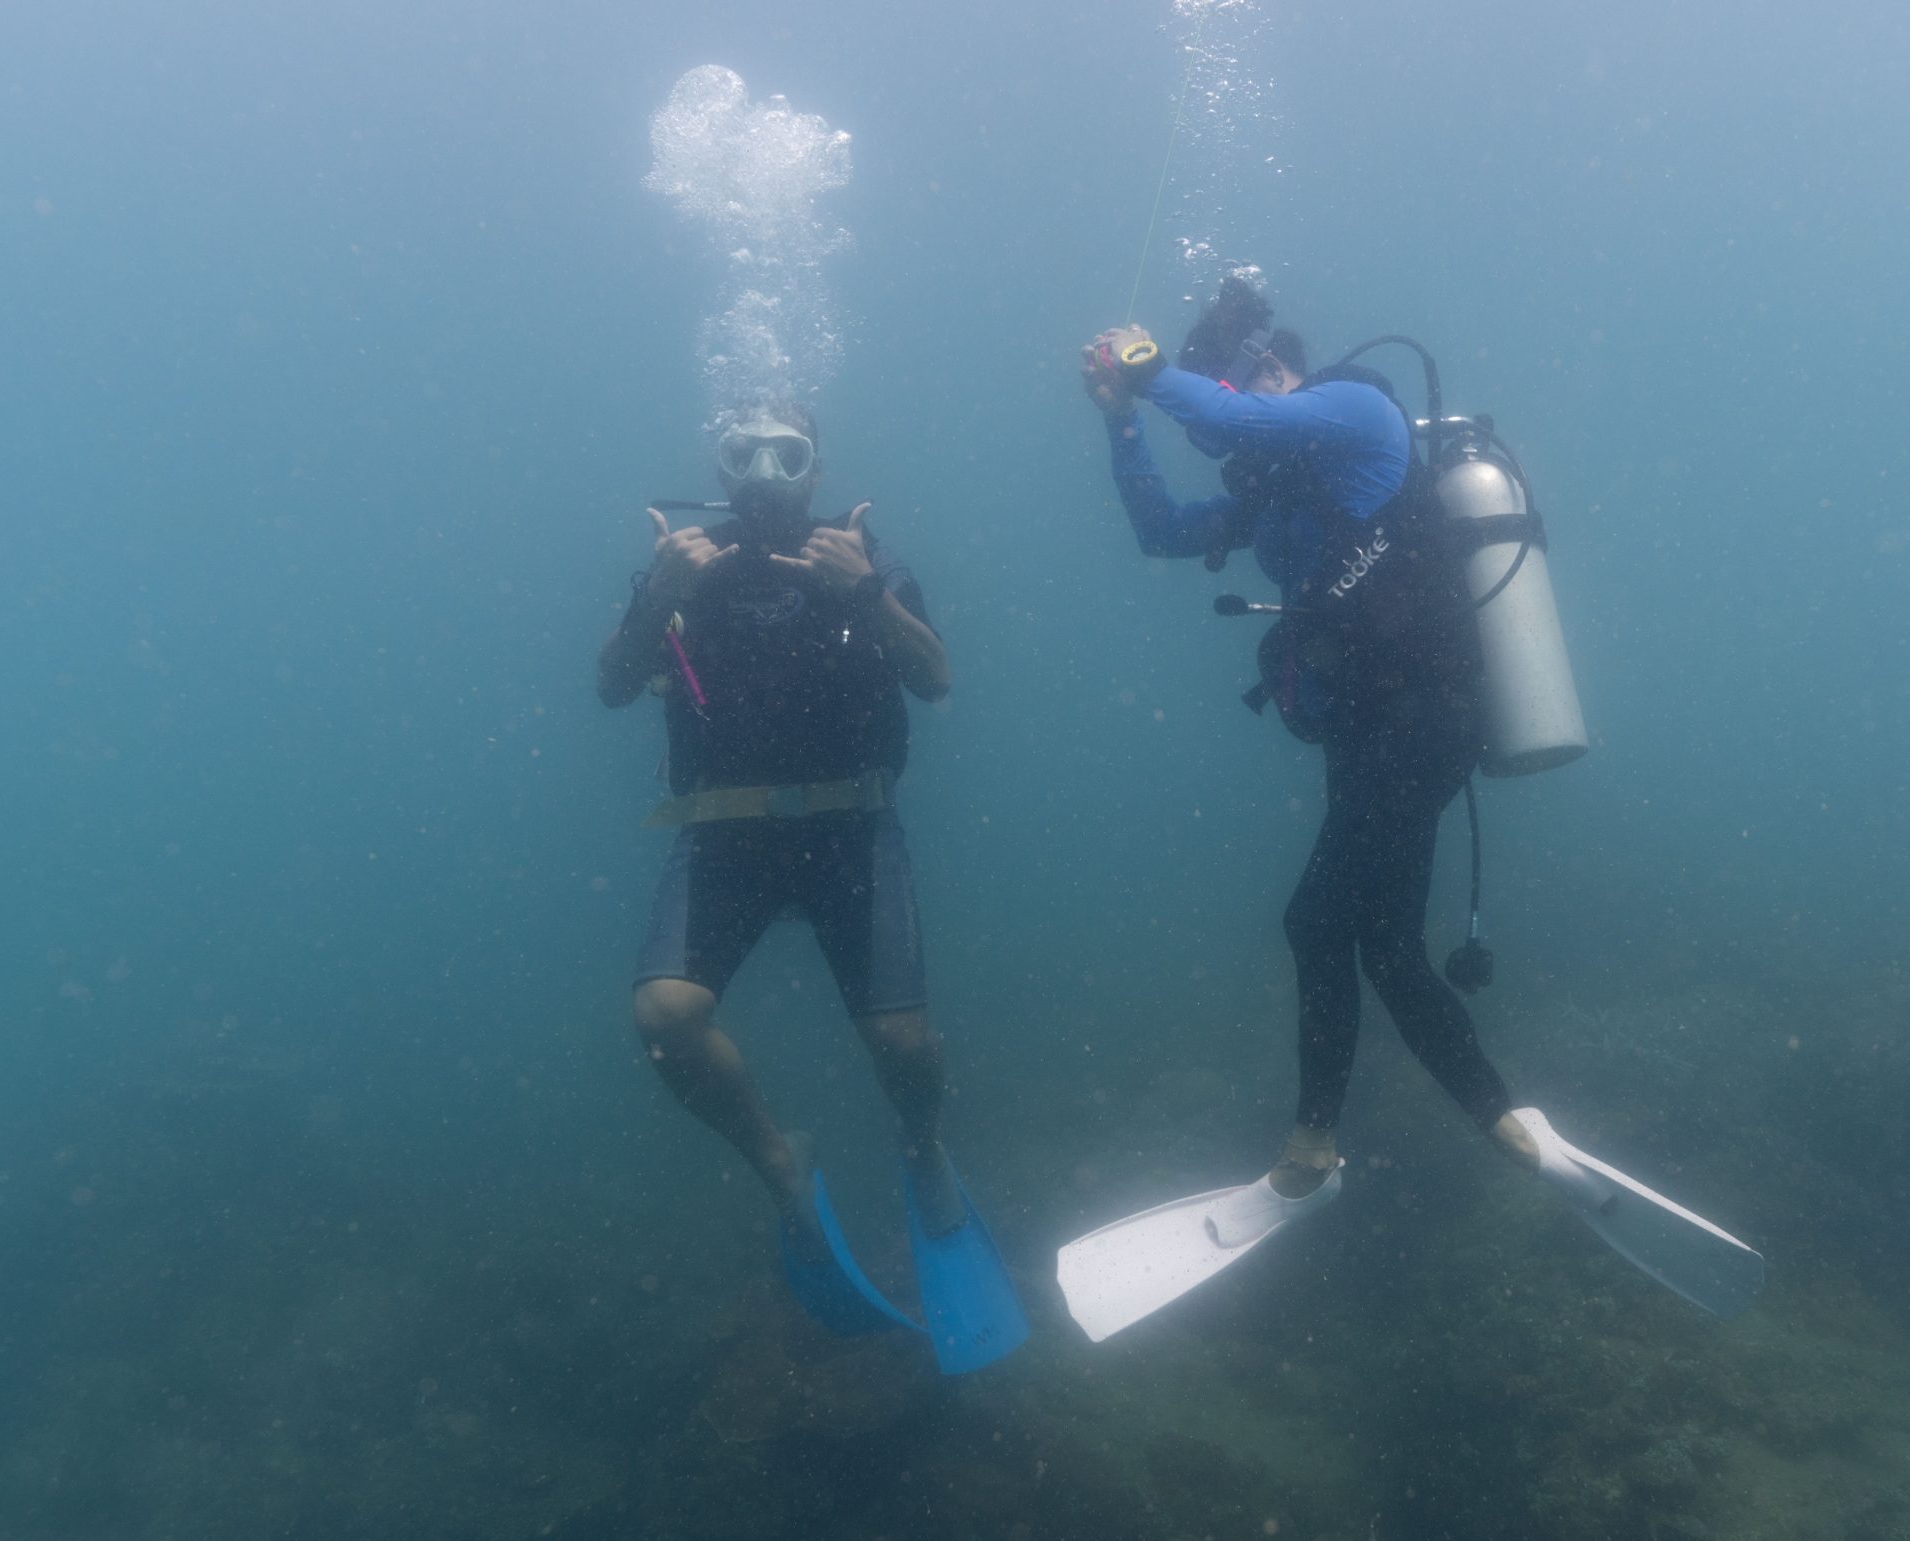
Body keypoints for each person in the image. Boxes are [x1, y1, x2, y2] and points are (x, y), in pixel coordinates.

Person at [1052, 281, 1762, 1341]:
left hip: (1424, 721)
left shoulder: (1357, 418)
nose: (1239, 402)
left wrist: (1150, 370)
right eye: (1227, 386)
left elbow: (1235, 420)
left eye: (1250, 379)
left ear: (1286, 374)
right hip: (1364, 742)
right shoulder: (1278, 495)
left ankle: (1311, 1154)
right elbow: (1161, 529)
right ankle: (1510, 1124)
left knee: (1312, 922)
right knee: (1384, 948)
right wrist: (1120, 421)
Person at [598, 403, 1026, 1373]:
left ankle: (922, 1146)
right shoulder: (682, 568)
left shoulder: (860, 557)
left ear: (816, 467)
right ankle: (778, 1160)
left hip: (850, 828)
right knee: (665, 1017)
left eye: (787, 453)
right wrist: (656, 596)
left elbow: (936, 677)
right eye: (742, 452)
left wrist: (865, 592)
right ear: (719, 465)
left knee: (903, 1042)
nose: (764, 471)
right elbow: (613, 685)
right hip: (725, 832)